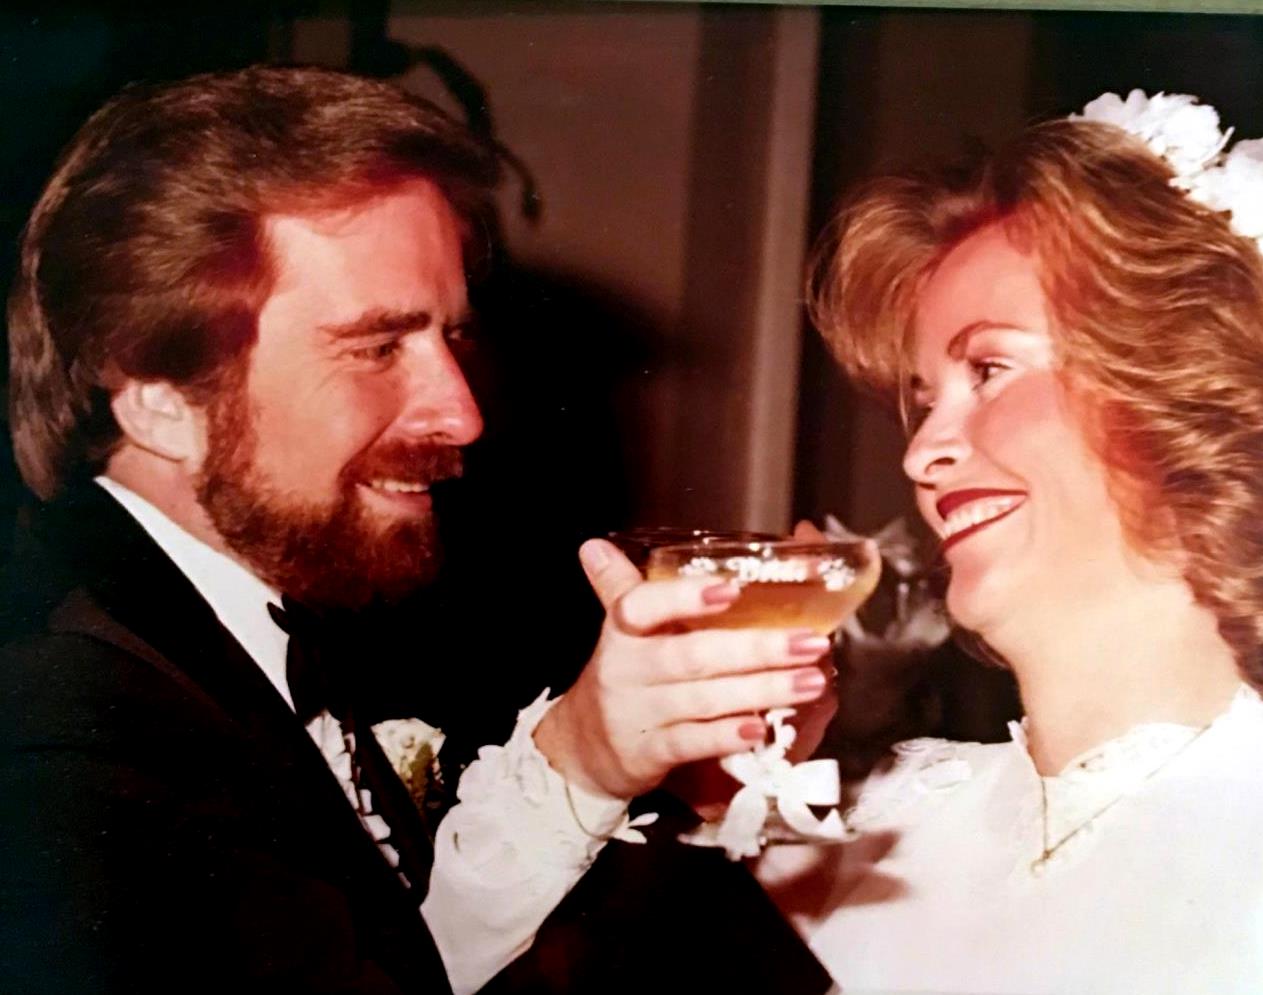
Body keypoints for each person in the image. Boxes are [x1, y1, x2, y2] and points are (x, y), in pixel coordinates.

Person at [0, 65, 833, 994]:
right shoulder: (57, 728)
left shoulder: (283, 621)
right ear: (159, 397)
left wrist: (601, 762)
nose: (462, 415)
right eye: (377, 347)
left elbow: (406, 957)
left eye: (454, 337)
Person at [762, 92, 1263, 993]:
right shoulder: (897, 830)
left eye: (989, 369)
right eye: (925, 400)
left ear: (1185, 399)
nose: (920, 453)